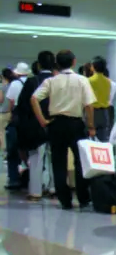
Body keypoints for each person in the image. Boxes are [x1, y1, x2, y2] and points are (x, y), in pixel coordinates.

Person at [31, 50, 96, 210]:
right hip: (75, 124)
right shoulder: (82, 80)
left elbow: (34, 98)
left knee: (58, 162)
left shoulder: (51, 81)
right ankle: (83, 198)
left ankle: (65, 200)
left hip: (56, 124)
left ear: (57, 64)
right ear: (74, 62)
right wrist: (91, 126)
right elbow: (89, 105)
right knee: (80, 162)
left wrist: (43, 121)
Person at [15, 51, 56, 201]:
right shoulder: (57, 81)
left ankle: (35, 192)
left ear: (38, 64)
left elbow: (23, 105)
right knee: (55, 158)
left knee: (36, 158)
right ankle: (53, 188)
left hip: (36, 125)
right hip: (55, 124)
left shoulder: (32, 81)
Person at [5, 63, 30, 190]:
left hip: (16, 120)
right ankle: (30, 178)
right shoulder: (33, 82)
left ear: (17, 73)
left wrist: (10, 116)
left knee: (12, 151)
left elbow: (11, 103)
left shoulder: (14, 84)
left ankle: (14, 180)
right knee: (29, 151)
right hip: (29, 120)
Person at [87, 56, 112, 142]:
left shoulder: (89, 80)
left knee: (89, 141)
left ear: (93, 66)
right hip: (104, 112)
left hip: (92, 112)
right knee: (103, 141)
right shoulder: (108, 81)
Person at [0, 68, 14, 159]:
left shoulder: (2, 87)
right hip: (12, 112)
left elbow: (0, 99)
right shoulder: (14, 85)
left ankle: (5, 152)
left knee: (2, 133)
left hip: (3, 112)